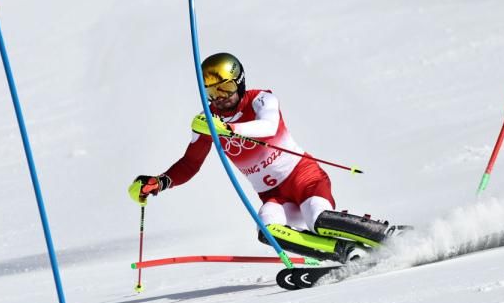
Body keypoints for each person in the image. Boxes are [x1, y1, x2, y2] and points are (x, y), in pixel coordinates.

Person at [129, 53, 400, 263]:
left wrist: (227, 129)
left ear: (240, 81)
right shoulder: (206, 121)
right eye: (211, 92)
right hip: (273, 194)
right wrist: (159, 182)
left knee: (317, 218)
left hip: (304, 177)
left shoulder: (261, 100)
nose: (219, 98)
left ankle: (388, 235)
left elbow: (268, 127)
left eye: (224, 88)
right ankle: (345, 253)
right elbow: (190, 163)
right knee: (268, 230)